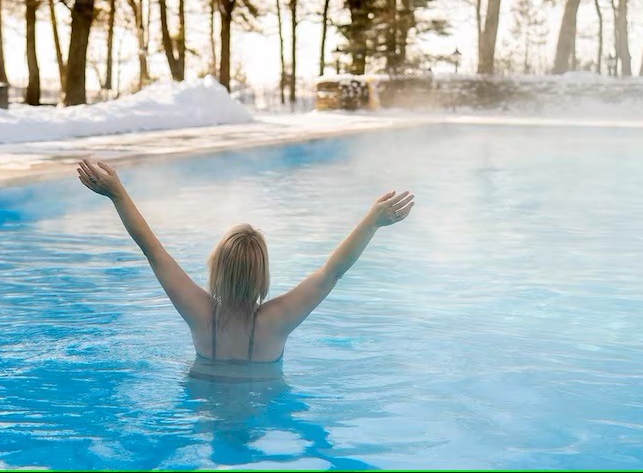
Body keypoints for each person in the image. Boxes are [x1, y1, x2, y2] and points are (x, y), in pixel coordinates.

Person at [76, 159, 415, 378]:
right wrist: (372, 222)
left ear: (215, 268)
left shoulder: (199, 314)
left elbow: (152, 250)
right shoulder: (276, 322)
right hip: (263, 410)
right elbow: (332, 272)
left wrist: (118, 194)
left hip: (203, 412)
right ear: (263, 276)